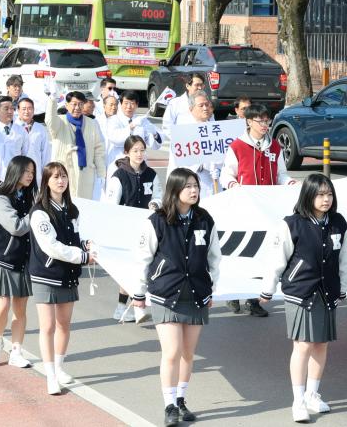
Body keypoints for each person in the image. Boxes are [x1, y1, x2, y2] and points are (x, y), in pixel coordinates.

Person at [132, 168, 222, 427]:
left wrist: (210, 287)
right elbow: (143, 258)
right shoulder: (157, 220)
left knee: (188, 353)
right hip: (165, 293)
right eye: (188, 186)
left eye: (196, 185)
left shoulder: (205, 219)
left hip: (196, 293)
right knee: (171, 352)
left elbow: (215, 257)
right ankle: (169, 405)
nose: (194, 190)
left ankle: (181, 399)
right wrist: (139, 292)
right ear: (175, 190)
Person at [260, 174, 347, 422]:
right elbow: (277, 260)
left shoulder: (338, 223)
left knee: (321, 345)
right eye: (320, 194)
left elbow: (343, 258)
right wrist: (268, 289)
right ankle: (297, 400)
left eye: (329, 194)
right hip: (300, 291)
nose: (326, 199)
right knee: (302, 346)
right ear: (308, 196)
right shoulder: (292, 224)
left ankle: (312, 394)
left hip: (327, 290)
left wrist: (343, 286)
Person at [221, 103, 296, 317]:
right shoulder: (237, 146)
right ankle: (234, 294)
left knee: (265, 252)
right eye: (260, 121)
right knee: (242, 252)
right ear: (248, 122)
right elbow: (227, 174)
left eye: (267, 120)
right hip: (244, 208)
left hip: (268, 208)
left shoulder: (274, 146)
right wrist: (234, 186)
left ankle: (255, 300)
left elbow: (281, 173)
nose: (265, 125)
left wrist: (289, 182)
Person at [29, 161, 97, 395]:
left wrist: (86, 245)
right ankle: (49, 375)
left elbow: (77, 236)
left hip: (68, 274)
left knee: (64, 324)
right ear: (46, 182)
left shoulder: (72, 209)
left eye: (64, 176)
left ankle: (59, 368)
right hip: (45, 274)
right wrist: (82, 256)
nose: (61, 181)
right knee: (47, 326)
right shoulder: (39, 212)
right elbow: (52, 247)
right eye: (56, 177)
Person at [103, 135, 163, 323]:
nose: (139, 154)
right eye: (135, 150)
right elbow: (112, 205)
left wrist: (155, 203)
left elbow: (159, 195)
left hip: (147, 227)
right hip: (125, 229)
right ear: (127, 153)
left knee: (143, 267)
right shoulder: (119, 176)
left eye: (142, 150)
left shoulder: (151, 174)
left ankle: (130, 307)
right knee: (130, 268)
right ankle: (127, 307)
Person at [0, 156, 37, 367]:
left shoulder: (28, 196)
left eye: (32, 172)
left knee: (20, 310)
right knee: (2, 305)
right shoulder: (1, 198)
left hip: (23, 258)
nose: (30, 175)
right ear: (16, 171)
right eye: (27, 171)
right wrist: (36, 214)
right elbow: (16, 226)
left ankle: (16, 351)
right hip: (1, 258)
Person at [45, 91, 106, 199]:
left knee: (84, 206)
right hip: (63, 171)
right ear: (66, 105)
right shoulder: (59, 121)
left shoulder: (92, 123)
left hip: (86, 173)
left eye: (80, 104)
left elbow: (98, 149)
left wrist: (101, 173)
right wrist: (52, 100)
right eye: (74, 104)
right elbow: (49, 120)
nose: (77, 107)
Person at [166, 91, 219, 199]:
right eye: (201, 105)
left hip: (212, 182)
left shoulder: (216, 129)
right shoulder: (183, 131)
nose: (205, 108)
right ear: (191, 109)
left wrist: (217, 165)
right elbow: (175, 164)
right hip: (189, 182)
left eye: (207, 104)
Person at [105, 91, 162, 173]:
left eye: (132, 103)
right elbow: (115, 139)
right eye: (126, 103)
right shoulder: (113, 120)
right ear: (120, 104)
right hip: (119, 163)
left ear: (137, 105)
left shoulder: (142, 121)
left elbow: (155, 145)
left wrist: (154, 134)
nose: (129, 107)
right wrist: (131, 126)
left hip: (139, 165)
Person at [14, 97, 51, 185]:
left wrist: (45, 174)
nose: (27, 111)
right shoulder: (13, 128)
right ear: (18, 110)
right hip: (17, 172)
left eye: (30, 108)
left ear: (34, 110)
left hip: (36, 174)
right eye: (23, 109)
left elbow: (46, 154)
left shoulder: (41, 129)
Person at [162, 73, 206, 139]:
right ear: (188, 86)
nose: (200, 88)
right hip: (182, 144)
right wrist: (179, 140)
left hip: (201, 143)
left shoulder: (207, 103)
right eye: (197, 85)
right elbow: (167, 126)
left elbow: (211, 123)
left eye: (201, 85)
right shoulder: (175, 103)